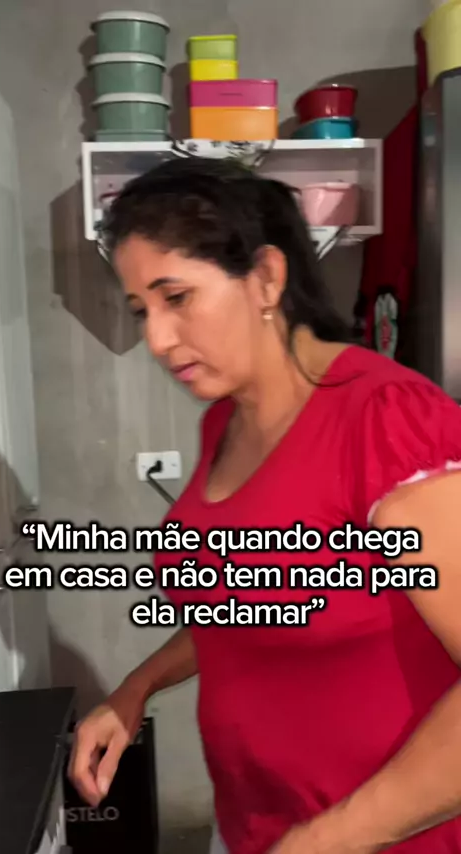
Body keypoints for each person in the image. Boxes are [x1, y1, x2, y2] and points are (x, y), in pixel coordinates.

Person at [68, 156, 461, 854]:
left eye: (177, 297)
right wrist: (135, 689)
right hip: (256, 826)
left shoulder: (385, 420)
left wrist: (327, 840)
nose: (157, 340)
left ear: (267, 279)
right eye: (142, 311)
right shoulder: (225, 423)